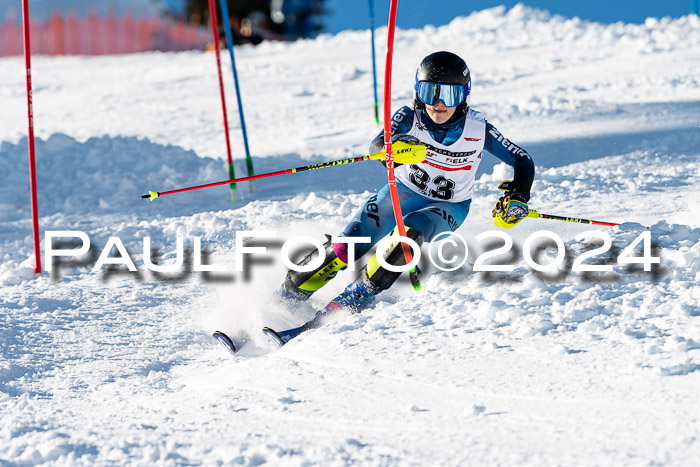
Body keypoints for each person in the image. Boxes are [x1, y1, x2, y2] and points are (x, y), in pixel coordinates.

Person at [263, 51, 535, 347]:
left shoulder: (478, 129)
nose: (439, 104)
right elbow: (379, 143)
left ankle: (355, 298)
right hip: (401, 193)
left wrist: (518, 195)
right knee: (345, 247)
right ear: (418, 92)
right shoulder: (410, 116)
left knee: (409, 235)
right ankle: (285, 297)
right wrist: (395, 148)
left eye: (450, 94)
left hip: (448, 206)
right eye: (431, 92)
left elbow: (522, 159)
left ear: (464, 96)